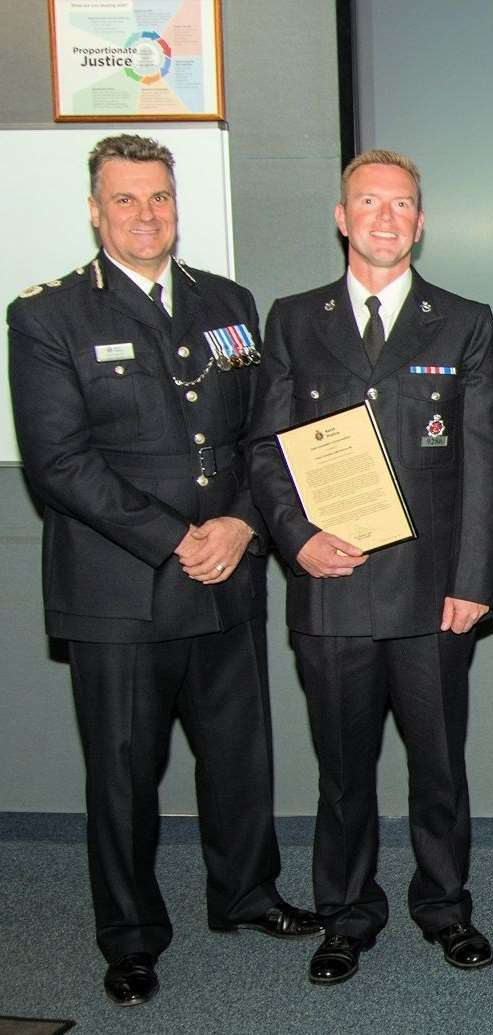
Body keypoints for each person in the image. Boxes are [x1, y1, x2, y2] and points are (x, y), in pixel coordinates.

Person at [8, 133, 320, 1008]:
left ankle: (246, 893)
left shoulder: (227, 302)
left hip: (227, 570)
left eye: (159, 198)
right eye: (126, 199)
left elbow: (263, 437)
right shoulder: (48, 315)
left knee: (237, 754)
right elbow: (58, 463)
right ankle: (131, 934)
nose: (146, 215)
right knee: (122, 768)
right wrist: (179, 536)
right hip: (122, 587)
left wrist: (242, 521)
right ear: (95, 208)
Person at [247, 149, 493, 985]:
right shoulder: (292, 318)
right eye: (369, 202)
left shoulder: (464, 320)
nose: (385, 217)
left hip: (434, 595)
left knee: (439, 767)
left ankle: (444, 905)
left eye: (401, 205)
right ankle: (345, 913)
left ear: (420, 223)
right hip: (330, 585)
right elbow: (266, 450)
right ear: (341, 215)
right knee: (344, 770)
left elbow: (482, 460)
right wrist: (296, 538)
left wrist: (473, 580)